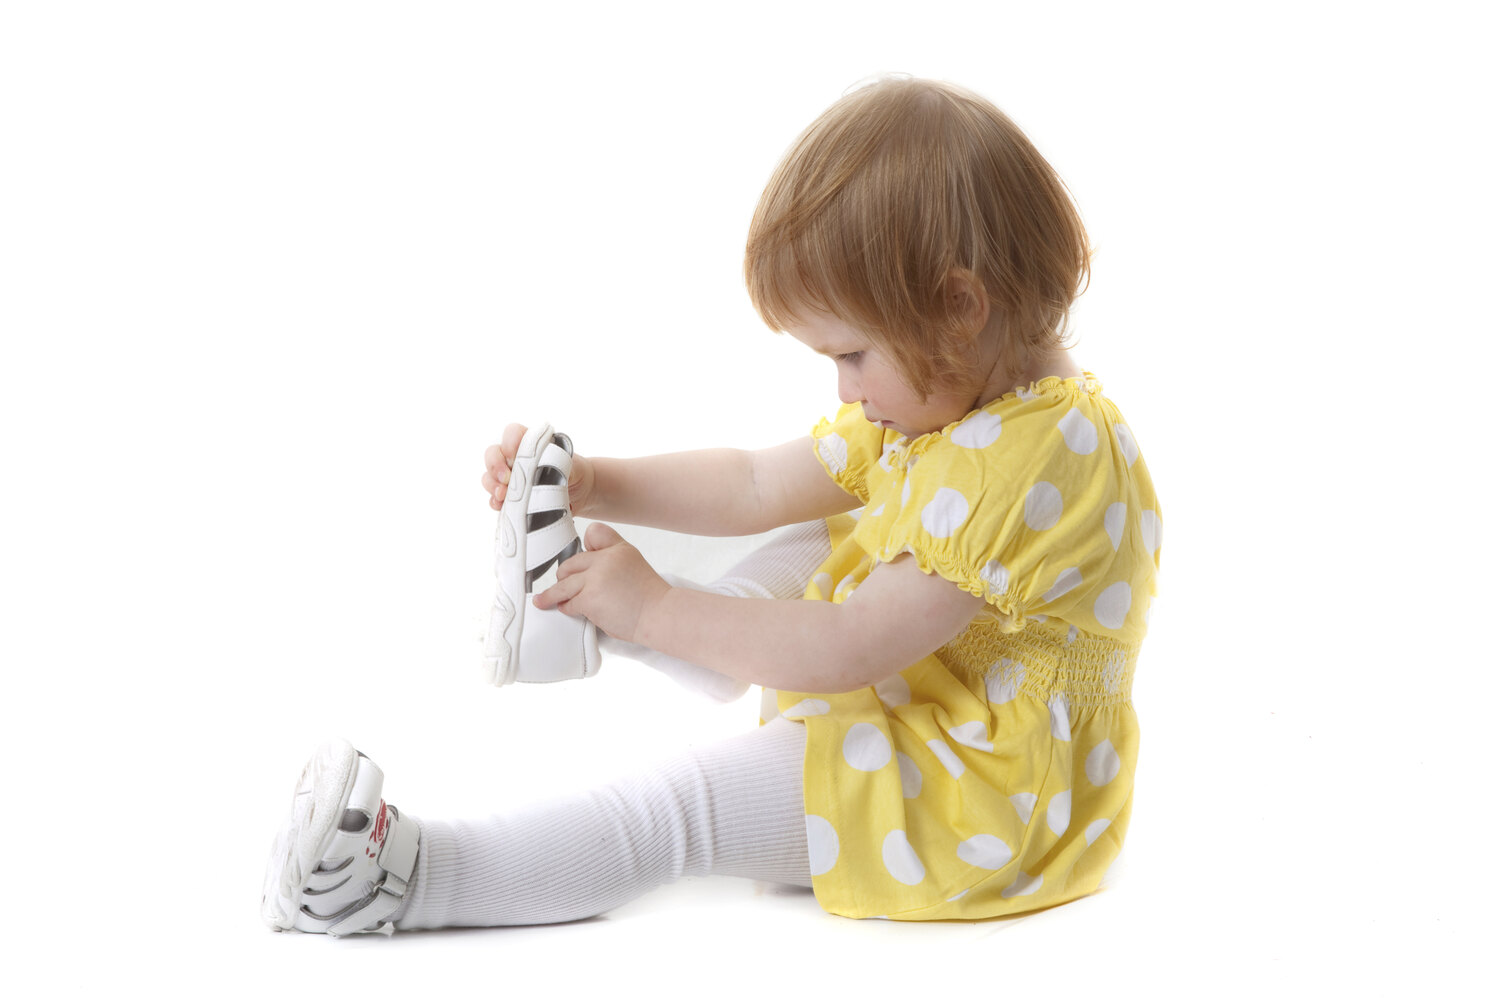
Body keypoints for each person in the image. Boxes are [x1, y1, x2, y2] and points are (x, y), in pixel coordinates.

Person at [261, 75, 1161, 934]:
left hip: (983, 800)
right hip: (926, 706)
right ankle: (664, 634)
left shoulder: (1028, 462)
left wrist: (657, 605)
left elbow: (847, 648)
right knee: (827, 516)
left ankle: (402, 882)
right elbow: (755, 485)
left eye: (850, 354)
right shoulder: (956, 403)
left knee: (676, 811)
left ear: (959, 307)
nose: (845, 391)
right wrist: (598, 482)